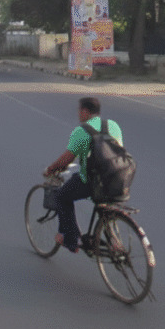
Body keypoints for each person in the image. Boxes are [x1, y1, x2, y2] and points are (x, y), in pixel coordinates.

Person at [43, 97, 123, 253]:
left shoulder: (82, 131)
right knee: (105, 205)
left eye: (79, 110)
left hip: (93, 182)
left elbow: (66, 160)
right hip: (117, 179)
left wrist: (51, 169)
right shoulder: (113, 126)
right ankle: (114, 241)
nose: (78, 113)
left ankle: (70, 239)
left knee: (62, 196)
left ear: (85, 111)